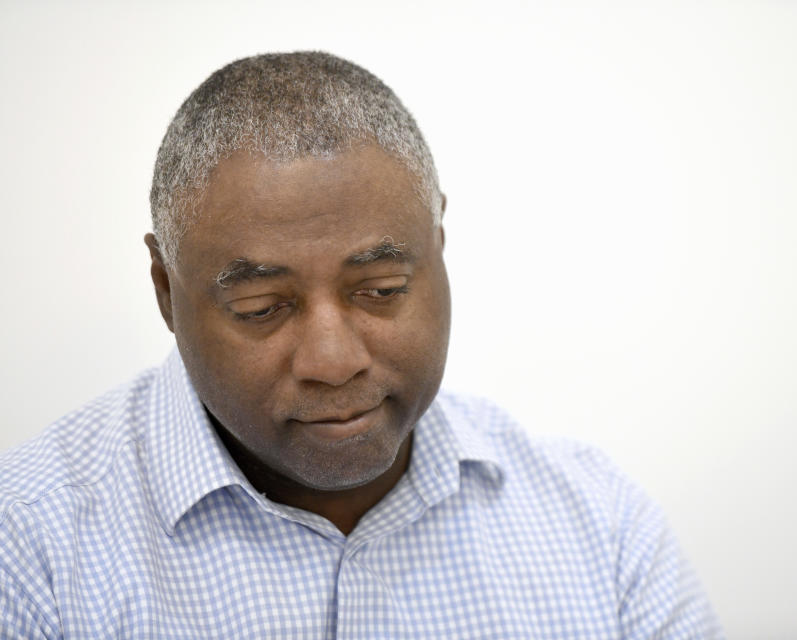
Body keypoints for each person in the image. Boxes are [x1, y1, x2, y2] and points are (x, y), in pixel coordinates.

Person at [0, 52, 722, 638]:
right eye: (260, 306)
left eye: (379, 288)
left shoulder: (601, 525)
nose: (333, 359)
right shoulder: (31, 550)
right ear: (165, 290)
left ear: (437, 245)